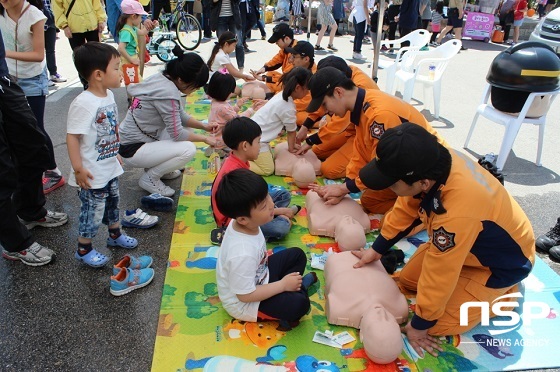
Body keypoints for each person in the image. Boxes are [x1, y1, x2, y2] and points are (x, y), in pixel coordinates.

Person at [352, 123, 535, 356]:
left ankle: (506, 295)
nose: (388, 187)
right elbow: (407, 204)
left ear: (424, 183)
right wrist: (377, 249)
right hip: (467, 246)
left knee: (436, 325)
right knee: (408, 281)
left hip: (500, 265)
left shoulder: (457, 210)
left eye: (393, 183)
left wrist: (420, 327)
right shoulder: (433, 162)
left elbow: (441, 271)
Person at [305, 67, 446, 214]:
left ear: (339, 92)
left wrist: (345, 188)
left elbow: (385, 165)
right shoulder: (361, 104)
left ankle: (424, 211)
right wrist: (346, 187)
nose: (325, 111)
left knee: (376, 206)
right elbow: (360, 150)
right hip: (404, 165)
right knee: (369, 199)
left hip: (421, 171)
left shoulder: (379, 115)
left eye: (324, 104)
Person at [68, 42, 145, 267]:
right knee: (92, 211)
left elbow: (112, 128)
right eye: (116, 67)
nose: (121, 72)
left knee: (113, 203)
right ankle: (84, 248)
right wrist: (78, 168)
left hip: (109, 165)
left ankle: (115, 235)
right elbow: (72, 137)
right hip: (92, 172)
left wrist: (115, 151)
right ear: (98, 74)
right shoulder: (83, 103)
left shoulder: (109, 95)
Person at [0, 29, 68, 267]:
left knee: (34, 145)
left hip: (3, 81)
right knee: (2, 171)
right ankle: (15, 244)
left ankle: (30, 210)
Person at [215, 168, 317, 323]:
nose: (271, 204)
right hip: (246, 303)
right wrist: (282, 285)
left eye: (267, 196)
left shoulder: (244, 223)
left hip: (261, 276)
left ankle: (293, 290)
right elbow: (245, 296)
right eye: (263, 206)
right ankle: (295, 291)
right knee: (301, 305)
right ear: (243, 219)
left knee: (297, 255)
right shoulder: (242, 253)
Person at [118, 49, 219, 196]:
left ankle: (160, 169)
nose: (196, 89)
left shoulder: (163, 78)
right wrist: (205, 138)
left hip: (136, 139)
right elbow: (177, 134)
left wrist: (204, 126)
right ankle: (150, 178)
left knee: (187, 130)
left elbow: (179, 115)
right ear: (181, 80)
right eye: (195, 86)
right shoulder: (168, 93)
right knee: (188, 149)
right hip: (133, 149)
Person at [0, 0, 66, 194]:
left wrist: (4, 53)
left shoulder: (35, 15)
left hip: (32, 79)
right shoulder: (2, 13)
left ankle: (53, 171)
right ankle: (26, 175)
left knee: (35, 128)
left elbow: (39, 54)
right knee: (13, 129)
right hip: (8, 79)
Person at [210, 117, 300, 244]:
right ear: (245, 146)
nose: (260, 146)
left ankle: (276, 215)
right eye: (258, 142)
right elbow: (247, 211)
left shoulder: (238, 160)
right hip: (233, 218)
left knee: (283, 194)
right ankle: (280, 218)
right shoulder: (236, 173)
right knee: (280, 228)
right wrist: (280, 211)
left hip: (245, 205)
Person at [296, 56, 379, 180]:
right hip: (352, 128)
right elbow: (322, 103)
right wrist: (306, 125)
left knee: (329, 169)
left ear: (338, 91)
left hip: (365, 135)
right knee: (317, 150)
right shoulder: (344, 83)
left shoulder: (360, 90)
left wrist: (311, 140)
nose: (326, 110)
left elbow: (340, 123)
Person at [249, 67, 311, 176]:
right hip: (256, 140)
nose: (308, 92)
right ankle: (239, 161)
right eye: (307, 89)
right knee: (268, 169)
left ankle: (243, 154)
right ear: (298, 88)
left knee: (269, 157)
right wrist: (291, 149)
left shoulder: (281, 95)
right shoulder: (288, 107)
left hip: (252, 133)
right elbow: (291, 131)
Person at [205, 70, 264, 156]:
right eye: (230, 91)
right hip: (221, 140)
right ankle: (220, 151)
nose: (231, 93)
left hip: (215, 137)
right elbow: (238, 120)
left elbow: (226, 115)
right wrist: (251, 109)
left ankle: (216, 149)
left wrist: (237, 106)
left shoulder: (216, 102)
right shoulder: (222, 107)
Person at [249, 22, 296, 94]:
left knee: (281, 87)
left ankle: (272, 94)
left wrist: (264, 78)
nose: (276, 43)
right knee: (271, 74)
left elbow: (287, 78)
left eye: (277, 41)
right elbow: (277, 60)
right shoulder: (287, 48)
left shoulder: (296, 54)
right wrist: (264, 68)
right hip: (290, 79)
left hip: (295, 86)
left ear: (286, 38)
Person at [210, 0, 245, 72]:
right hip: (220, 17)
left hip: (233, 16)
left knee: (238, 44)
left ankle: (241, 68)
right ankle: (224, 69)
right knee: (222, 45)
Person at [116, 0, 148, 78]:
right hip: (128, 60)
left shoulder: (132, 28)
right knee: (134, 83)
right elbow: (120, 48)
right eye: (140, 17)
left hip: (132, 58)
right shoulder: (126, 31)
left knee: (134, 83)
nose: (141, 20)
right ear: (133, 16)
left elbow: (142, 32)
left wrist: (152, 26)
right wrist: (131, 60)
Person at [42, 0, 67, 86]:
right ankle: (43, 77)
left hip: (51, 23)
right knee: (39, 52)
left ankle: (53, 73)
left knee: (51, 50)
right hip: (38, 23)